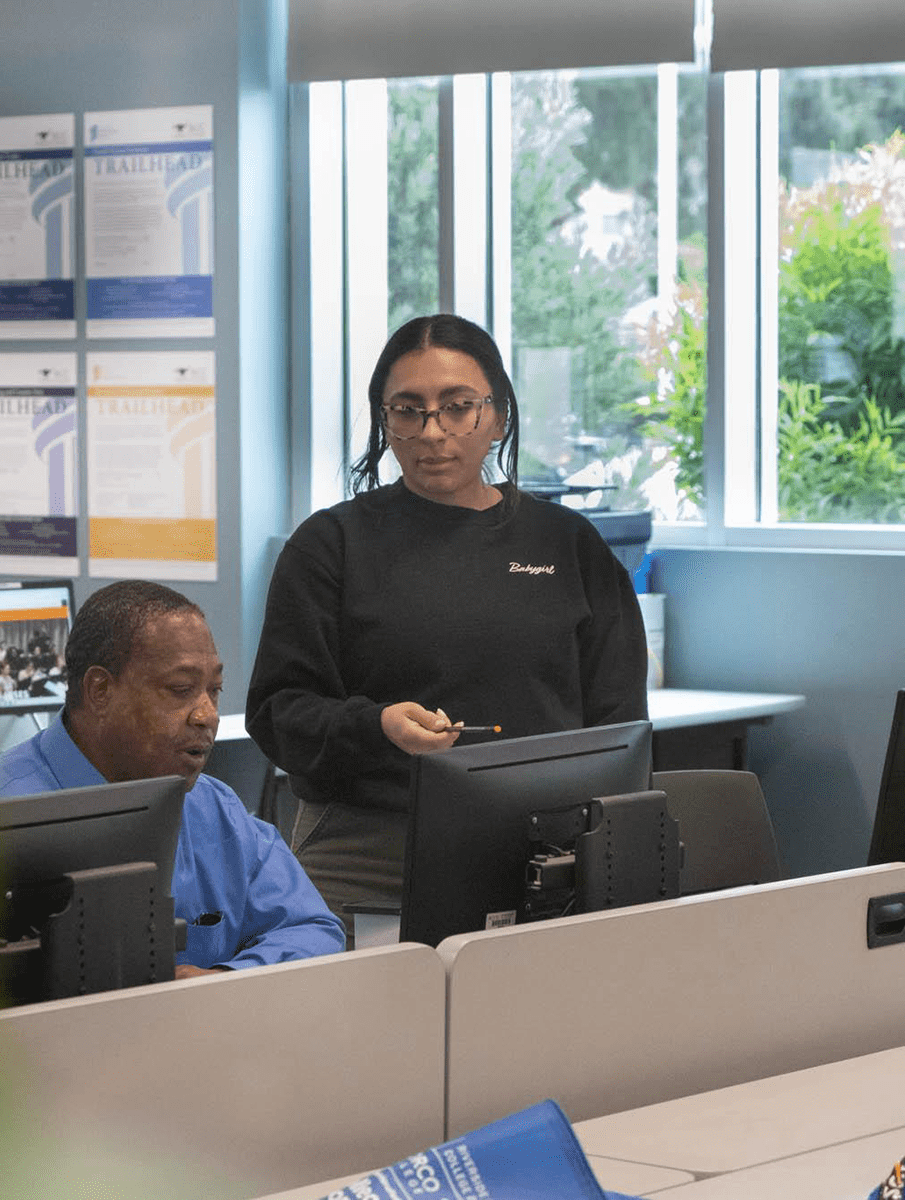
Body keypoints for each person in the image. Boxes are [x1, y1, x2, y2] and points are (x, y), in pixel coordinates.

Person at [245, 313, 649, 922]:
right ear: (386, 423)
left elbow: (620, 723)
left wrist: (605, 841)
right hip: (370, 849)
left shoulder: (568, 545)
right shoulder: (331, 545)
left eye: (458, 406)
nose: (433, 431)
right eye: (408, 411)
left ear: (498, 416)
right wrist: (376, 724)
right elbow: (278, 714)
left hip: (546, 850)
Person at [0, 580, 346, 976]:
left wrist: (223, 979)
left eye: (215, 689)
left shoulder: (216, 810)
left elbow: (314, 929)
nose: (207, 715)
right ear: (100, 691)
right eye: (180, 689)